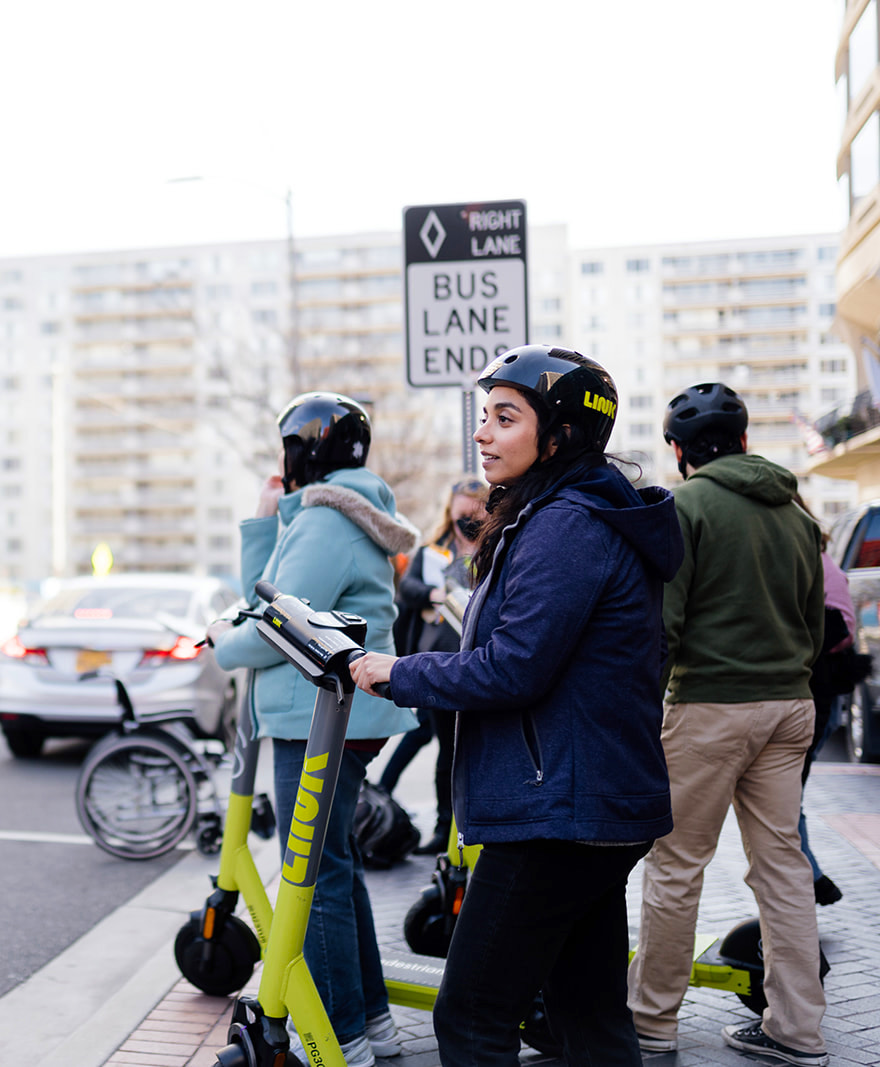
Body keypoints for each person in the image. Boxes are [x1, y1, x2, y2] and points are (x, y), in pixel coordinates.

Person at [348, 346, 682, 1067]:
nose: (483, 433)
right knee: (588, 1015)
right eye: (484, 416)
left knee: (471, 1017)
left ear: (558, 434)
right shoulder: (571, 511)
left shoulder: (568, 523)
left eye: (506, 417)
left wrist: (398, 670)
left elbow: (514, 668)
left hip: (559, 810)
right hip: (586, 799)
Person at [207, 391, 420, 1067]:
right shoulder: (335, 514)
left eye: (285, 446)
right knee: (334, 866)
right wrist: (264, 526)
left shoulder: (328, 522)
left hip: (317, 717)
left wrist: (219, 640)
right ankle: (371, 1025)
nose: (280, 460)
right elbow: (267, 595)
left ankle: (340, 1038)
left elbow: (273, 626)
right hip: (331, 713)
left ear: (305, 448)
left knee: (314, 874)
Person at [625, 382, 828, 1067]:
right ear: (742, 441)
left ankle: (651, 1022)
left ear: (680, 451)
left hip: (710, 708)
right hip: (789, 706)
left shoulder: (686, 505)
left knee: (678, 866)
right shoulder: (797, 514)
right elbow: (816, 622)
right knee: (782, 869)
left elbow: (665, 625)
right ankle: (798, 1028)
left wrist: (640, 708)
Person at [380, 477, 489, 853]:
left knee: (465, 747)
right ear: (450, 513)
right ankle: (446, 831)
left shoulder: (495, 546)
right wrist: (433, 594)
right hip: (440, 658)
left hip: (480, 659)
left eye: (476, 512)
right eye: (462, 515)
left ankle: (472, 830)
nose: (468, 522)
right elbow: (405, 591)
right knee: (445, 748)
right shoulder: (432, 552)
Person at [795, 494, 860, 907]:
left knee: (783, 805)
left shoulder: (811, 560)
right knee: (785, 803)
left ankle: (811, 879)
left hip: (814, 694)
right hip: (823, 696)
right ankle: (812, 878)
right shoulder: (819, 556)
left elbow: (840, 627)